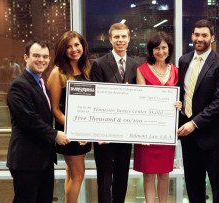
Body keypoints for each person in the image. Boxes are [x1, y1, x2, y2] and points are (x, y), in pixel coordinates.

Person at [6, 39, 70, 203]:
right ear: (26, 57)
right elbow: (28, 119)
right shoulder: (18, 85)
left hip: (44, 158)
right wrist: (55, 134)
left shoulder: (41, 82)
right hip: (26, 160)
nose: (41, 60)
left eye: (45, 56)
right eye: (36, 56)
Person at [177, 19, 219, 203]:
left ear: (212, 38)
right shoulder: (184, 60)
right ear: (192, 36)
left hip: (214, 136)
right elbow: (182, 92)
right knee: (193, 185)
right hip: (188, 137)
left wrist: (194, 123)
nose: (200, 38)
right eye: (196, 34)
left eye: (204, 35)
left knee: (218, 186)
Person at [90, 23, 139, 203]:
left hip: (125, 133)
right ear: (110, 39)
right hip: (104, 133)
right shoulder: (99, 64)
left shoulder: (136, 65)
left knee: (122, 176)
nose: (120, 40)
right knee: (104, 177)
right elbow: (95, 99)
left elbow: (141, 97)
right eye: (116, 37)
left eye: (123, 36)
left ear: (129, 38)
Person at [133, 32, 181, 203]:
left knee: (164, 174)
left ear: (169, 49)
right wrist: (142, 132)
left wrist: (179, 104)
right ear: (151, 50)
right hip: (148, 131)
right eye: (157, 48)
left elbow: (180, 97)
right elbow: (140, 101)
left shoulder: (176, 71)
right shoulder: (142, 70)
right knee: (148, 175)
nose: (160, 51)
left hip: (166, 131)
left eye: (164, 48)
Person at [47, 31, 92, 203]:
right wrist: (76, 130)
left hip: (84, 132)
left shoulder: (86, 68)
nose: (74, 49)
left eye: (77, 45)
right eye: (68, 46)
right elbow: (55, 110)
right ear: (62, 50)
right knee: (78, 175)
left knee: (71, 173)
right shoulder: (57, 72)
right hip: (69, 132)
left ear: (83, 46)